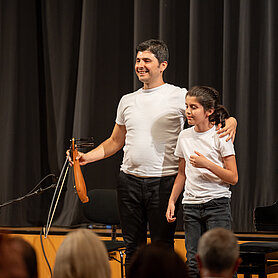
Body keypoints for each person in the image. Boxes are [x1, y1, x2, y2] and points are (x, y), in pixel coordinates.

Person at [68, 39, 237, 263]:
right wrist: (86, 157)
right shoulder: (127, 101)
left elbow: (212, 114)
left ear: (162, 65)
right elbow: (115, 141)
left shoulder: (178, 95)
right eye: (138, 60)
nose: (140, 65)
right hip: (129, 182)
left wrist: (232, 120)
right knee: (132, 249)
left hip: (164, 183)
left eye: (147, 60)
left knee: (162, 249)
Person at [166, 85, 238, 278]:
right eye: (187, 106)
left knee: (220, 262)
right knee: (193, 262)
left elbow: (233, 177)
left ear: (209, 111)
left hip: (217, 204)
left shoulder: (220, 134)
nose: (188, 111)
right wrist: (172, 200)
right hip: (191, 206)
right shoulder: (184, 136)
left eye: (194, 107)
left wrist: (207, 164)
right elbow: (182, 173)